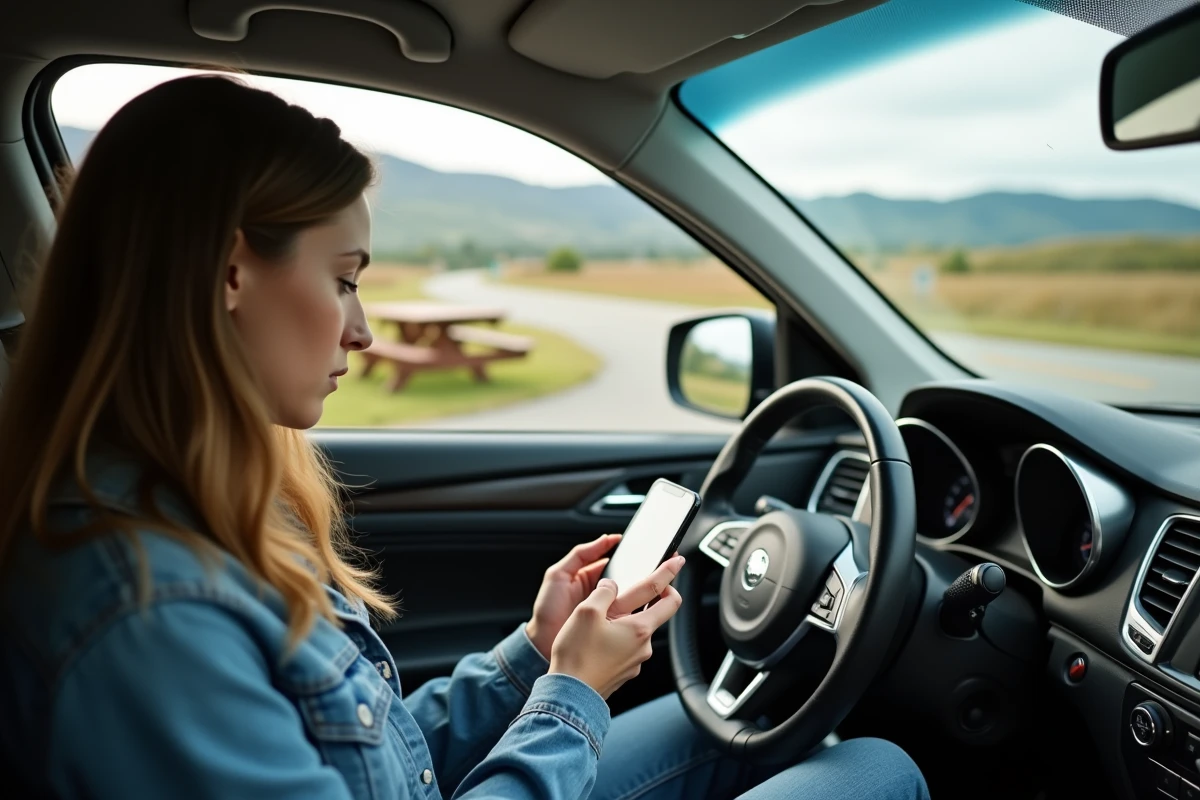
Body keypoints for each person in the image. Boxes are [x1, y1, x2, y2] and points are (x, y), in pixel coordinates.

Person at [0, 74, 929, 799]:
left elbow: (372, 756)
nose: (361, 331)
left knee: (716, 728)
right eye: (344, 278)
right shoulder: (146, 614)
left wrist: (534, 652)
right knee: (875, 772)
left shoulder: (200, 507)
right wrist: (571, 698)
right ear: (230, 271)